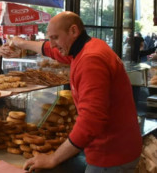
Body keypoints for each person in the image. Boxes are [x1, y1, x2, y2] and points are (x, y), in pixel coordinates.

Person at [10, 11, 142, 172]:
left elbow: (91, 120)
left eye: (55, 37)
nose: (51, 44)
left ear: (73, 31)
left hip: (110, 154)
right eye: (49, 38)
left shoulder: (90, 59)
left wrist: (53, 158)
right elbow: (51, 50)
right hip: (120, 147)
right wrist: (20, 43)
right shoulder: (88, 47)